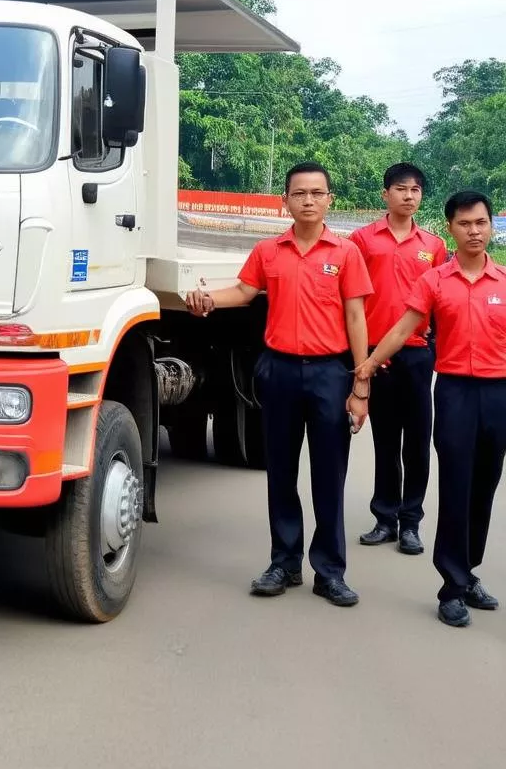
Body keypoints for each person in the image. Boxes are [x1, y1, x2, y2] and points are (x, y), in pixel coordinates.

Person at [186, 162, 372, 606]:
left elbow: (355, 317)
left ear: (329, 199)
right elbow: (244, 293)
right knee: (281, 472)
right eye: (299, 193)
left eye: (317, 193)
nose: (308, 200)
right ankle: (284, 563)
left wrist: (360, 384)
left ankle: (330, 571)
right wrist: (207, 300)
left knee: (329, 476)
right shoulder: (268, 251)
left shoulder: (346, 253)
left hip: (330, 373)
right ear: (284, 201)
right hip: (280, 371)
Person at [356, 190, 506, 628]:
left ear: (491, 226)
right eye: (465, 224)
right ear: (450, 229)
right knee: (457, 488)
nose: (474, 231)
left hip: (498, 395)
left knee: (484, 489)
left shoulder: (503, 281)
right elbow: (402, 329)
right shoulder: (435, 281)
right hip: (456, 393)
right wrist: (366, 367)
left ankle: (469, 572)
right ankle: (451, 588)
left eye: (481, 222)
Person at [349, 164, 447, 555]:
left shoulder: (434, 245)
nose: (409, 196)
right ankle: (385, 518)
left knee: (418, 443)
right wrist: (362, 359)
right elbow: (352, 300)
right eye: (401, 188)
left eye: (416, 190)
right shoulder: (362, 240)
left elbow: (442, 303)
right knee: (386, 441)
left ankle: (411, 523)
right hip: (377, 356)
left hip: (418, 355)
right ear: (385, 194)